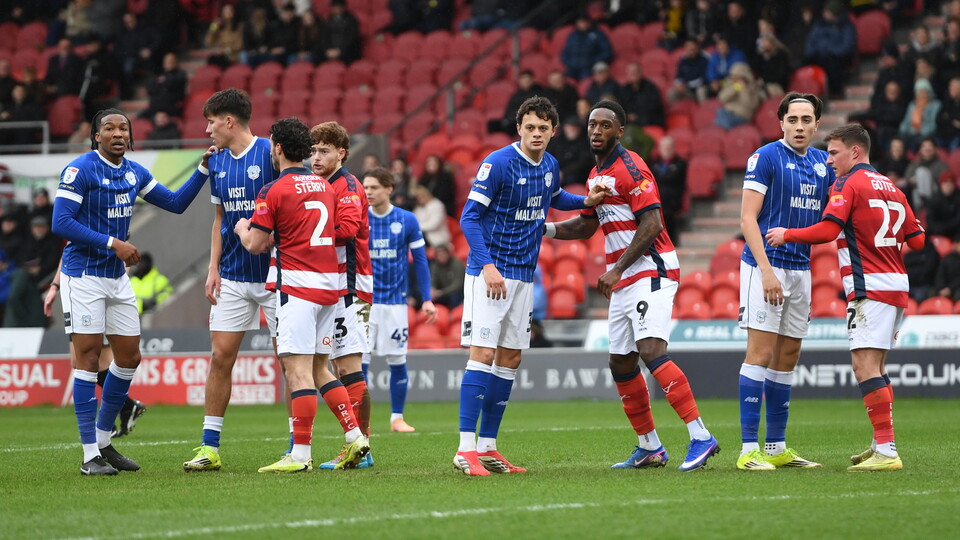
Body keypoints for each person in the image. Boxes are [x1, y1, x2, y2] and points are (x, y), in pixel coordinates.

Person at [545, 100, 719, 471]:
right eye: (592, 125)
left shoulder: (631, 167)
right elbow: (587, 225)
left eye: (605, 126)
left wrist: (616, 269)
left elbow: (653, 223)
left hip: (650, 270)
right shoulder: (596, 175)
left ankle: (701, 437)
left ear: (619, 131)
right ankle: (650, 447)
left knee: (651, 351)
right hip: (625, 279)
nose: (596, 131)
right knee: (621, 362)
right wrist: (543, 230)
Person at [453, 96, 610, 476]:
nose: (536, 134)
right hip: (490, 274)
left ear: (553, 132)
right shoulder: (498, 163)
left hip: (523, 275)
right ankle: (464, 449)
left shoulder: (551, 165)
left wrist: (584, 200)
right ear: (518, 129)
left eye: (543, 128)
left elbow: (554, 198)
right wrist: (486, 265)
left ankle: (488, 447)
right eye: (529, 127)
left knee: (511, 358)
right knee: (483, 355)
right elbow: (468, 217)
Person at [52, 107, 210, 475]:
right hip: (83, 276)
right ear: (96, 136)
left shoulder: (134, 172)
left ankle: (105, 440)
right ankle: (89, 454)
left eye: (124, 127)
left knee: (129, 358)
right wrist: (113, 244)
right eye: (109, 128)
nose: (118, 133)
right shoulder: (80, 169)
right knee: (88, 359)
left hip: (116, 279)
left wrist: (202, 170)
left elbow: (175, 203)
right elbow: (61, 221)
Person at [766, 124, 925, 471]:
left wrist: (787, 234)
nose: (829, 160)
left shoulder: (847, 183)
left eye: (834, 152)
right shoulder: (892, 187)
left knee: (863, 365)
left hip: (869, 286)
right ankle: (881, 443)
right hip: (897, 284)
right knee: (878, 367)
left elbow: (828, 229)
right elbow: (918, 240)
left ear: (855, 152)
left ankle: (887, 450)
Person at [235, 117, 369, 473]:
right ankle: (355, 435)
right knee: (319, 368)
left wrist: (240, 227)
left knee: (296, 371)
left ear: (277, 148)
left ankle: (300, 454)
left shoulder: (272, 190)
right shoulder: (325, 187)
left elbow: (256, 244)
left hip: (297, 287)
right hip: (330, 288)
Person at [736, 92, 835, 471]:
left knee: (788, 356)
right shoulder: (765, 157)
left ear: (816, 124)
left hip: (801, 268)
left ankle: (776, 447)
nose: (799, 126)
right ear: (781, 123)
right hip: (766, 266)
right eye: (792, 119)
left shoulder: (822, 164)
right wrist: (765, 271)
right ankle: (748, 449)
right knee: (760, 353)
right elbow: (747, 219)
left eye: (806, 120)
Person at [183, 89, 278, 473]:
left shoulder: (271, 153)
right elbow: (220, 220)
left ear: (229, 121)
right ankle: (209, 447)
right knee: (221, 358)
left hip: (275, 275)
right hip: (234, 278)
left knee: (287, 361)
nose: (207, 130)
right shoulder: (217, 164)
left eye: (210, 121)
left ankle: (297, 445)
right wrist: (212, 268)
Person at [306, 121, 375, 471]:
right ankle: (362, 447)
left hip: (350, 286)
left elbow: (347, 230)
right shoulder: (321, 184)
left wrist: (302, 231)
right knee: (340, 366)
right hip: (331, 285)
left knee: (348, 367)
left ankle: (359, 447)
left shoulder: (345, 185)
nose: (316, 157)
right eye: (313, 150)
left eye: (324, 151)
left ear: (342, 153)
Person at [363, 166, 438, 433]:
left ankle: (397, 418)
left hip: (395, 302)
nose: (368, 192)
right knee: (360, 362)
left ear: (389, 189)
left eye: (373, 187)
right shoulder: (359, 218)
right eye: (366, 187)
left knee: (397, 360)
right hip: (364, 302)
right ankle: (361, 421)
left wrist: (427, 299)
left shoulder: (407, 220)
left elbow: (420, 262)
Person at [44, 257, 147, 438]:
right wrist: (55, 285)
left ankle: (107, 425)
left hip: (99, 294)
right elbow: (68, 252)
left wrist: (111, 292)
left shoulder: (109, 230)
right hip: (78, 292)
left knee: (100, 362)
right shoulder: (76, 234)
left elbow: (124, 253)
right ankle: (126, 407)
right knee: (78, 361)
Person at [649, 136, 687, 244]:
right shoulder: (653, 165)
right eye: (664, 147)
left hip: (672, 203)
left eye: (669, 147)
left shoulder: (681, 164)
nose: (666, 149)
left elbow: (674, 180)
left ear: (674, 148)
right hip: (656, 202)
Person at [560, 13, 613, 81]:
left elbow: (607, 53)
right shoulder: (573, 36)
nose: (582, 24)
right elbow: (564, 53)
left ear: (589, 22)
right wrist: (570, 63)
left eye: (584, 22)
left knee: (586, 80)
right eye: (580, 22)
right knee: (561, 79)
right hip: (573, 68)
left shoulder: (598, 34)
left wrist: (592, 62)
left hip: (590, 68)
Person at [617, 62, 665, 128]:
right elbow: (620, 107)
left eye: (635, 71)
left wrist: (637, 117)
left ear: (641, 72)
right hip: (629, 124)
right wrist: (627, 116)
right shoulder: (624, 89)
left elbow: (654, 109)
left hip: (648, 123)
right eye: (630, 72)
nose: (633, 74)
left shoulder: (651, 88)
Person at [714, 62, 760, 130]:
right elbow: (721, 98)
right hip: (727, 114)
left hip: (742, 117)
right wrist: (735, 88)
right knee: (720, 112)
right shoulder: (732, 85)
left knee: (720, 121)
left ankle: (725, 133)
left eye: (736, 76)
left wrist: (744, 90)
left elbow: (750, 105)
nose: (733, 78)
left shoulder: (752, 88)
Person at [430, 244, 465, 308]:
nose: (441, 257)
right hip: (442, 293)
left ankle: (454, 314)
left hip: (457, 293)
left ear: (448, 254)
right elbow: (433, 280)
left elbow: (458, 285)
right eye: (439, 255)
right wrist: (433, 289)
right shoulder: (435, 266)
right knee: (429, 296)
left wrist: (441, 292)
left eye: (443, 254)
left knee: (454, 296)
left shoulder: (457, 264)